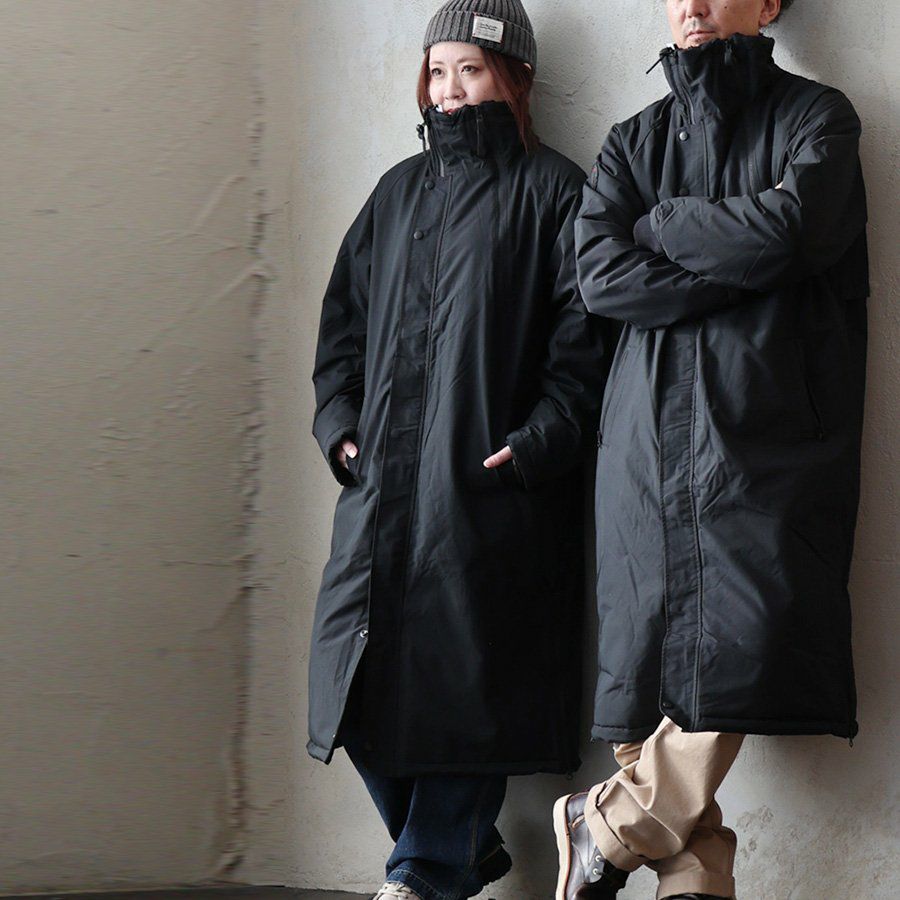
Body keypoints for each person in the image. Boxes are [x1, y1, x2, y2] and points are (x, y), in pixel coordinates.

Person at [554, 1, 868, 898]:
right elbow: (600, 276)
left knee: (743, 639)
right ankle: (694, 883)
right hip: (644, 436)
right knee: (647, 666)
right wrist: (738, 264)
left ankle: (606, 825)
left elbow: (795, 230)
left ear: (768, 4)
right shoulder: (631, 141)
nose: (688, 3)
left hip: (766, 435)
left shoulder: (817, 117)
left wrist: (661, 226)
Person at [309, 2, 612, 898]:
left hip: (488, 491)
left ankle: (425, 872)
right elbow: (342, 325)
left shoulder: (556, 192)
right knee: (351, 684)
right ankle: (463, 852)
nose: (449, 89)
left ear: (514, 80)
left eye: (470, 70)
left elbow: (585, 348)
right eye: (438, 70)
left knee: (471, 691)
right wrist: (341, 427)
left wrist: (534, 446)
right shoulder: (396, 192)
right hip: (381, 491)